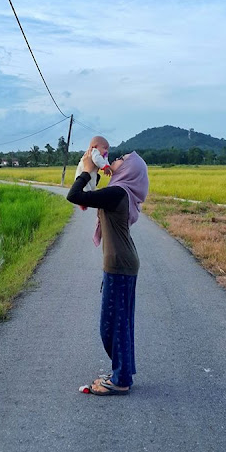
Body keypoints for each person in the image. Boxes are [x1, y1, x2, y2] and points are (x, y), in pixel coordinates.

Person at [67, 150, 149, 395]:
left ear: (129, 169)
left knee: (113, 325)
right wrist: (95, 172)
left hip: (120, 264)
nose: (115, 158)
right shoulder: (119, 191)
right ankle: (121, 372)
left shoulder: (118, 193)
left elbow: (74, 195)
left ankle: (121, 380)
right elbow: (90, 197)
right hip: (121, 263)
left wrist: (86, 169)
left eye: (122, 158)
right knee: (117, 323)